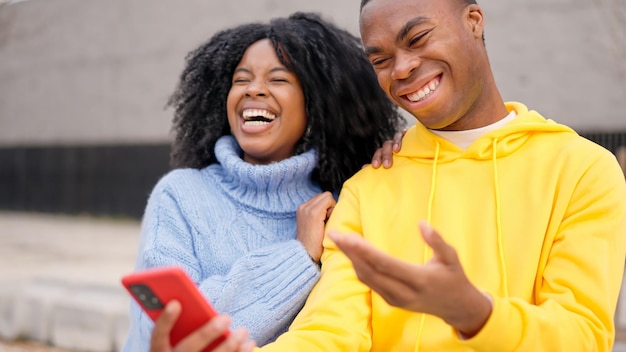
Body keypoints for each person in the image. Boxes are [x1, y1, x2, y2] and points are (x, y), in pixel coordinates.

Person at [149, 0, 626, 351]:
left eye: (417, 39)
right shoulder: (370, 186)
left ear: (474, 22)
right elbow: (330, 332)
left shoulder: (582, 169)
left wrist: (477, 315)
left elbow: (582, 335)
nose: (402, 68)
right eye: (379, 59)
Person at [121, 11, 405, 352]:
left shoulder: (340, 205)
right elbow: (170, 332)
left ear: (316, 105)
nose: (254, 90)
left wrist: (397, 163)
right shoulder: (180, 195)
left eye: (278, 79)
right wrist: (297, 256)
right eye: (241, 80)